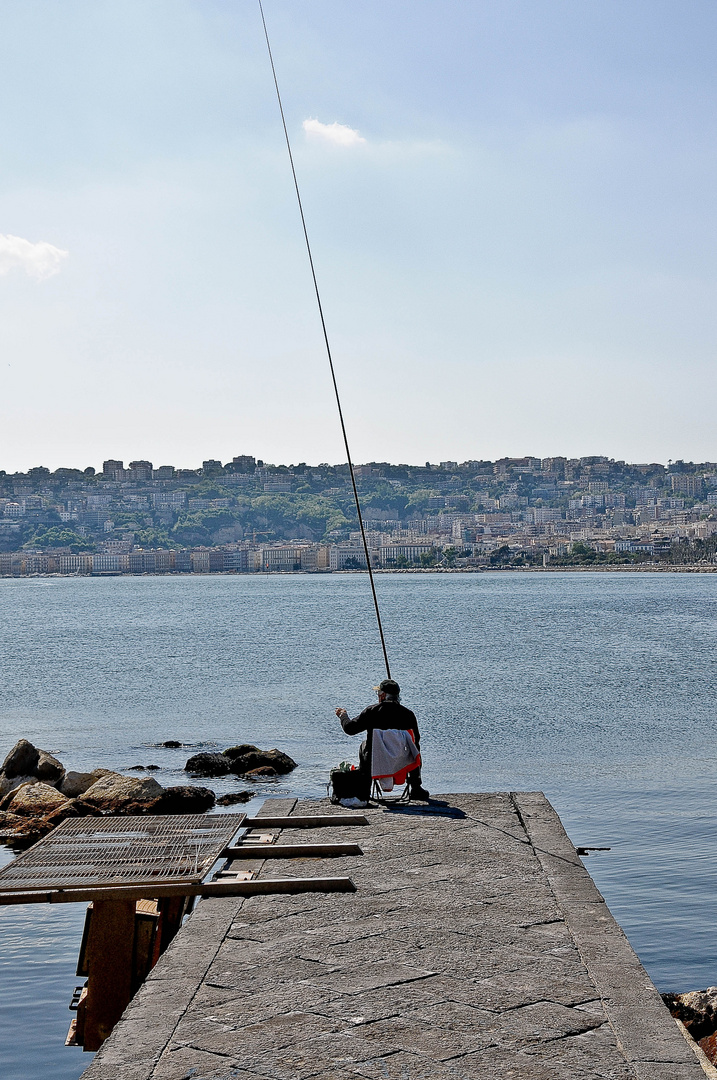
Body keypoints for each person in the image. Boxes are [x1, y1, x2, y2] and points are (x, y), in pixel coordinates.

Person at [335, 679, 431, 801]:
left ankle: (365, 789)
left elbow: (350, 729)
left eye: (379, 693)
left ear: (383, 695)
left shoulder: (372, 711)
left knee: (364, 746)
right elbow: (416, 740)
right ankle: (416, 787)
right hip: (403, 760)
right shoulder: (408, 714)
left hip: (376, 759)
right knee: (414, 748)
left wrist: (343, 716)